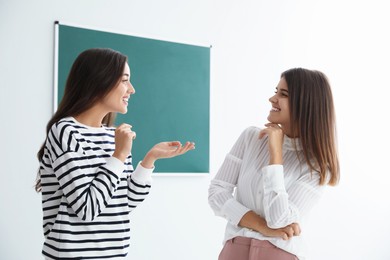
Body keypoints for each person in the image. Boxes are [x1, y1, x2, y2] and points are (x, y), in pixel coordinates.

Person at [35, 48, 195, 259]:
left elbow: (124, 202)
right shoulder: (65, 131)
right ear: (99, 81)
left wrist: (149, 160)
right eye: (124, 80)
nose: (132, 89)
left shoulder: (115, 136)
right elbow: (87, 209)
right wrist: (119, 155)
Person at [208, 68, 339, 260]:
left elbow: (279, 219)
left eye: (283, 94)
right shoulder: (251, 138)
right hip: (234, 250)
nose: (272, 98)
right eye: (276, 91)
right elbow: (216, 193)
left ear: (305, 104)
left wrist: (275, 155)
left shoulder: (317, 167)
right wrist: (261, 225)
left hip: (278, 253)